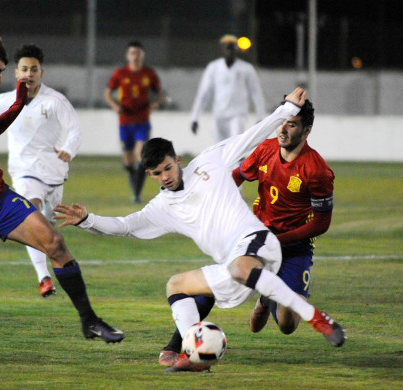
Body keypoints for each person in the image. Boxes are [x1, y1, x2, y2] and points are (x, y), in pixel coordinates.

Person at [55, 87, 346, 373]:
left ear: (177, 160)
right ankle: (194, 353)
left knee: (251, 280)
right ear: (149, 175)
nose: (165, 177)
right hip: (235, 262)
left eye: (168, 168)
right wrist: (87, 219)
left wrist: (286, 110)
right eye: (157, 173)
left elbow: (252, 136)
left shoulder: (209, 161)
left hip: (259, 242)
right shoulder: (161, 208)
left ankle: (316, 318)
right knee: (177, 285)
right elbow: (125, 226)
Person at [0, 31, 123, 369]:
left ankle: (89, 319)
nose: (1, 78)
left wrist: (17, 102)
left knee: (55, 243)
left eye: (3, 71)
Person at [231, 98, 334, 336]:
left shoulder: (317, 170)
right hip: (260, 238)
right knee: (226, 284)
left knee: (287, 325)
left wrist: (282, 240)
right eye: (282, 123)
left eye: (292, 125)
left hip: (295, 245)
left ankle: (266, 298)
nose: (282, 130)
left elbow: (322, 223)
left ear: (307, 130)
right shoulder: (265, 150)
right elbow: (236, 176)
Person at [0, 44, 82, 298]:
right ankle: (43, 278)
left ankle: (58, 267)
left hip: (53, 173)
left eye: (34, 69)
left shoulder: (55, 101)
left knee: (46, 230)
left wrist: (68, 150)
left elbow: (74, 130)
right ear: (16, 73)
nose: (28, 74)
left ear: (41, 72)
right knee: (32, 211)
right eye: (24, 69)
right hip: (24, 173)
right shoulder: (4, 101)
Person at [104, 40, 163, 203]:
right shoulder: (120, 73)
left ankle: (137, 194)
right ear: (127, 55)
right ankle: (134, 184)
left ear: (142, 55)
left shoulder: (149, 74)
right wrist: (115, 105)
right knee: (128, 161)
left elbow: (159, 93)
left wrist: (156, 103)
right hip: (125, 121)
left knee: (140, 155)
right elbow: (108, 93)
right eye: (132, 53)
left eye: (138, 53)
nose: (135, 56)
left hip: (142, 120)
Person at [190, 34, 266, 142]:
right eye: (227, 48)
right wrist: (195, 117)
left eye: (232, 48)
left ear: (236, 49)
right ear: (222, 49)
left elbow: (256, 93)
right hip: (219, 115)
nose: (229, 51)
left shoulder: (246, 68)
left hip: (237, 115)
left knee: (235, 146)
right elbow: (203, 93)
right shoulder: (213, 67)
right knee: (219, 149)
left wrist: (260, 117)